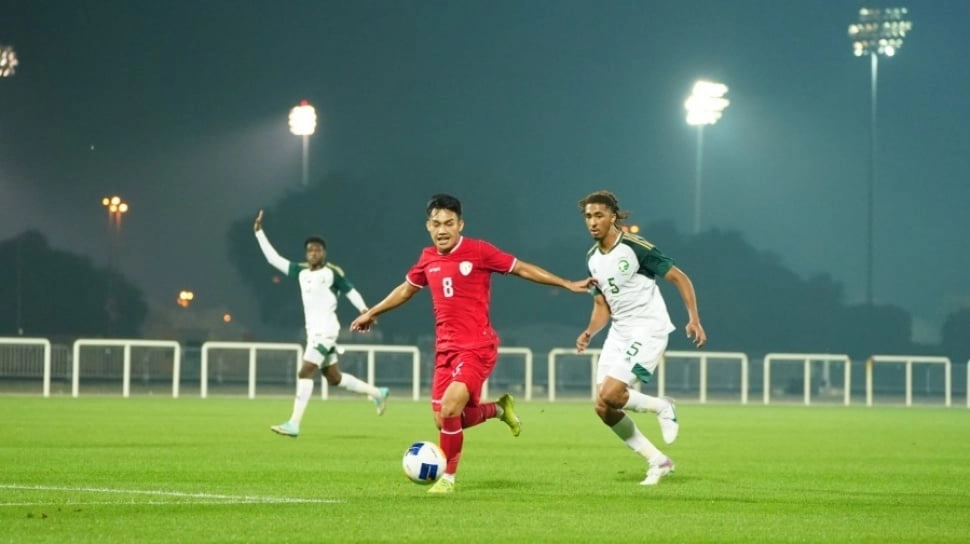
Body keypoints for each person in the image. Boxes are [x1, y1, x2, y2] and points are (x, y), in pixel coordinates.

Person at [350, 194, 590, 493]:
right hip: (445, 351)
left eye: (449, 223)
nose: (442, 230)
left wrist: (565, 283)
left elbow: (522, 268)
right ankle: (500, 410)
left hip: (477, 347)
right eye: (436, 224)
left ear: (460, 224)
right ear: (428, 226)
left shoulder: (478, 251)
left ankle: (448, 478)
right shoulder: (428, 258)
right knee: (444, 420)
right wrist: (371, 312)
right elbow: (405, 290)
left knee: (450, 408)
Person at [574, 190, 706, 486]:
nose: (593, 222)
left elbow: (679, 277)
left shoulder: (635, 247)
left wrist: (693, 318)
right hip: (619, 332)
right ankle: (658, 461)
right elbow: (601, 305)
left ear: (613, 217)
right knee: (603, 406)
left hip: (648, 328)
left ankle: (663, 406)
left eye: (598, 215)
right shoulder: (592, 258)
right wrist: (589, 332)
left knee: (611, 394)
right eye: (588, 217)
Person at [253, 209, 390, 438]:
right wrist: (259, 233)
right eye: (310, 250)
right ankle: (377, 392)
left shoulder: (332, 273)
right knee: (334, 377)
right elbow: (272, 259)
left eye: (317, 249)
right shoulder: (300, 272)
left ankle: (294, 423)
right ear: (306, 254)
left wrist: (365, 310)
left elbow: (350, 290)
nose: (313, 253)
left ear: (324, 252)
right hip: (313, 333)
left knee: (305, 371)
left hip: (326, 332)